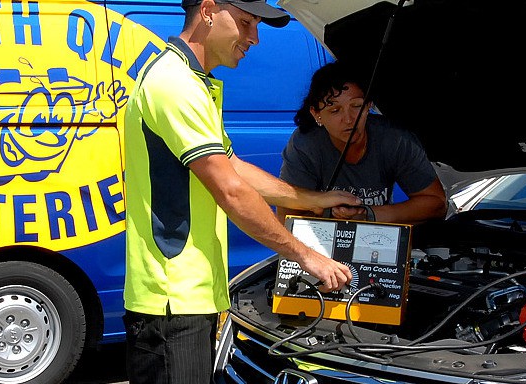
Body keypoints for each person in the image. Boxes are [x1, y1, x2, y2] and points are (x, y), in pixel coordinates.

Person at [121, 1, 360, 383]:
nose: (254, 38)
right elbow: (231, 191)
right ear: (209, 10)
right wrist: (306, 256)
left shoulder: (191, 81)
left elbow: (235, 167)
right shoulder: (174, 83)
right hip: (171, 300)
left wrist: (320, 200)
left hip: (188, 297)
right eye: (247, 23)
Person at [278, 61, 447, 224]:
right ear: (316, 114)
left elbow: (437, 204)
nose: (349, 119)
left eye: (357, 106)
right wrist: (328, 212)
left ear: (369, 106)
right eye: (335, 110)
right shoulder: (306, 144)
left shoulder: (395, 139)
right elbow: (287, 216)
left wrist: (370, 215)